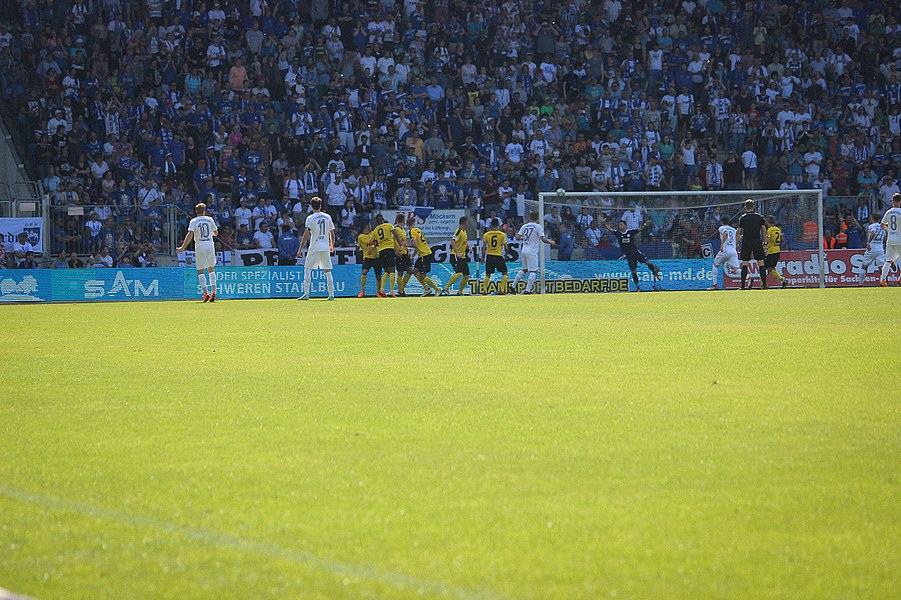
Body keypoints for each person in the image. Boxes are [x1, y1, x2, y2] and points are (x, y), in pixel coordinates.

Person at [601, 218, 662, 291]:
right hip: (629, 255)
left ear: (625, 225)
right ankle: (638, 287)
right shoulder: (618, 233)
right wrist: (604, 223)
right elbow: (610, 229)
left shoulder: (630, 232)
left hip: (635, 251)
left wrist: (646, 224)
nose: (620, 226)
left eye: (621, 224)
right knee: (633, 271)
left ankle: (655, 272)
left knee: (647, 262)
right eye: (619, 225)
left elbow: (640, 229)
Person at [176, 202, 219, 302]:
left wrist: (183, 247)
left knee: (200, 270)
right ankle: (214, 292)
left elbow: (190, 234)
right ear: (204, 211)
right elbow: (216, 233)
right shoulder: (210, 219)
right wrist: (211, 233)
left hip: (200, 245)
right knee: (211, 269)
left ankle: (205, 293)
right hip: (210, 244)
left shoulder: (194, 221)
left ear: (196, 211)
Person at [296, 197, 336, 300]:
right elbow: (332, 233)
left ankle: (306, 293)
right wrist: (332, 245)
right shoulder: (327, 217)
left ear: (311, 206)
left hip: (314, 246)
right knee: (327, 271)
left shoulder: (310, 218)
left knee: (307, 269)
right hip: (325, 246)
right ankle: (331, 294)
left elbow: (306, 234)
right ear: (320, 206)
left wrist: (300, 249)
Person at [511, 212, 556, 294]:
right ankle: (527, 290)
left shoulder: (524, 226)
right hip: (531, 251)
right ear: (538, 218)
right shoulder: (538, 226)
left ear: (530, 218)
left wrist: (524, 238)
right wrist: (550, 242)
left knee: (524, 269)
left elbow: (517, 237)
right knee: (533, 271)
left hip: (524, 250)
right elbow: (542, 238)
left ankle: (513, 286)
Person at [736, 199, 768, 290]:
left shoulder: (743, 218)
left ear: (745, 207)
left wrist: (736, 243)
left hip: (746, 242)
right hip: (757, 241)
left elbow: (738, 232)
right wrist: (765, 242)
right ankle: (764, 285)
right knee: (761, 263)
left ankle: (742, 286)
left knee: (745, 264)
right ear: (753, 206)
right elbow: (764, 230)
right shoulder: (759, 217)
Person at [407, 216, 441, 296]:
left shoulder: (412, 231)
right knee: (415, 271)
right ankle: (427, 289)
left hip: (424, 255)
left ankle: (437, 289)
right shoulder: (418, 230)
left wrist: (406, 245)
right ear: (414, 223)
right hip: (424, 254)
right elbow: (419, 245)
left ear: (407, 224)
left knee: (422, 276)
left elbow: (415, 244)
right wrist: (413, 256)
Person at [372, 214, 402, 298]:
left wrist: (373, 247)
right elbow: (396, 234)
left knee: (386, 271)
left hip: (381, 251)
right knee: (392, 270)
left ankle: (381, 289)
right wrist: (400, 245)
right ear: (383, 219)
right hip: (389, 249)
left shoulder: (375, 230)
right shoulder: (389, 225)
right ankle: (392, 291)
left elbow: (375, 242)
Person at [442, 216, 471, 295]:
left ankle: (460, 291)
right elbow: (452, 242)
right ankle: (446, 288)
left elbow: (464, 242)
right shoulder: (458, 231)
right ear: (465, 222)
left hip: (463, 256)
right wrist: (457, 252)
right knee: (459, 273)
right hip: (455, 255)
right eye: (467, 222)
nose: (468, 223)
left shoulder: (464, 231)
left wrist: (469, 247)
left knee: (467, 275)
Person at [709, 217, 739, 290]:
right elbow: (739, 237)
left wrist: (722, 245)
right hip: (733, 251)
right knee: (736, 269)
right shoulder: (733, 230)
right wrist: (736, 245)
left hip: (725, 250)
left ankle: (714, 285)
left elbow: (725, 233)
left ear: (721, 222)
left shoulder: (722, 227)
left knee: (715, 265)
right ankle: (748, 277)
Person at [481, 218, 509, 295]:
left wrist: (482, 257)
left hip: (490, 256)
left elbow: (484, 247)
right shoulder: (502, 234)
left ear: (491, 225)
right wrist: (506, 254)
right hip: (498, 256)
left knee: (488, 275)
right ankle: (502, 290)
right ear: (498, 225)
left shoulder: (487, 234)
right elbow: (506, 248)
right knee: (505, 273)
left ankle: (484, 290)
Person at [879, 193, 901, 287]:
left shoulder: (889, 212)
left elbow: (882, 225)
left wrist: (890, 231)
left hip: (890, 238)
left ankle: (883, 280)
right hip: (899, 238)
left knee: (888, 261)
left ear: (893, 201)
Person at [859, 214, 886, 286]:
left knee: (864, 265)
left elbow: (873, 232)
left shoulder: (872, 226)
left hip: (872, 247)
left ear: (872, 218)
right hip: (880, 247)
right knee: (881, 267)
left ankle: (860, 283)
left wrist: (868, 242)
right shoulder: (882, 227)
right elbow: (885, 237)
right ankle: (883, 281)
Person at [356, 222, 382, 297]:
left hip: (376, 257)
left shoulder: (373, 233)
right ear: (365, 227)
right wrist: (358, 251)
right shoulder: (361, 237)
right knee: (364, 272)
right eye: (368, 226)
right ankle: (362, 291)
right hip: (367, 258)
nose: (370, 227)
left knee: (378, 276)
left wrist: (373, 247)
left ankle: (378, 292)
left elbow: (377, 241)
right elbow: (358, 246)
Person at [762, 216, 789, 288]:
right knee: (771, 269)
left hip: (771, 251)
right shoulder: (778, 229)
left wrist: (764, 246)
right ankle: (782, 280)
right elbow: (782, 239)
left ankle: (763, 284)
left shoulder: (769, 230)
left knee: (765, 268)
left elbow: (767, 240)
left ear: (768, 222)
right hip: (777, 250)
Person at [393, 214, 413, 296]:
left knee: (410, 271)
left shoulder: (403, 230)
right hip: (400, 252)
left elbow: (404, 242)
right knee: (400, 272)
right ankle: (401, 291)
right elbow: (393, 241)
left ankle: (401, 288)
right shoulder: (395, 229)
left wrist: (407, 250)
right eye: (404, 220)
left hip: (405, 252)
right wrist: (396, 251)